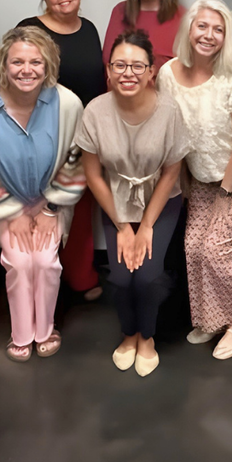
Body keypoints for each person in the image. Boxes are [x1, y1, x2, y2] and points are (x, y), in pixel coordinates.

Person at [0, 25, 86, 361]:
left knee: (45, 262)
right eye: (17, 62)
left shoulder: (68, 104)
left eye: (36, 62)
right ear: (4, 64)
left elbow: (77, 159)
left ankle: (45, 329)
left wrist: (50, 209)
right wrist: (11, 213)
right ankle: (21, 334)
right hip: (4, 204)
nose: (26, 70)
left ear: (48, 66)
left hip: (52, 203)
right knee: (19, 261)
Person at [76, 30, 189, 376]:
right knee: (123, 278)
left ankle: (148, 337)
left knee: (148, 277)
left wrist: (147, 227)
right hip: (116, 202)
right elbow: (93, 175)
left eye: (137, 66)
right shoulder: (95, 111)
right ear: (108, 71)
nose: (128, 73)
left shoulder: (169, 110)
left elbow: (172, 173)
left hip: (161, 200)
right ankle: (128, 335)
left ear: (152, 71)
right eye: (120, 65)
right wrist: (124, 227)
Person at [158, 0, 232, 359]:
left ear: (228, 37)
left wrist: (225, 193)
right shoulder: (168, 74)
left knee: (218, 251)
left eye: (218, 29)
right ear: (189, 30)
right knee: (193, 249)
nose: (209, 35)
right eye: (202, 26)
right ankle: (211, 320)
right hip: (200, 179)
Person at [19, 0, 106, 304]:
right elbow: (16, 76)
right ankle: (40, 277)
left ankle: (81, 276)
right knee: (41, 206)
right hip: (42, 130)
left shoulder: (90, 29)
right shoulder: (31, 28)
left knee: (81, 205)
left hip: (83, 131)